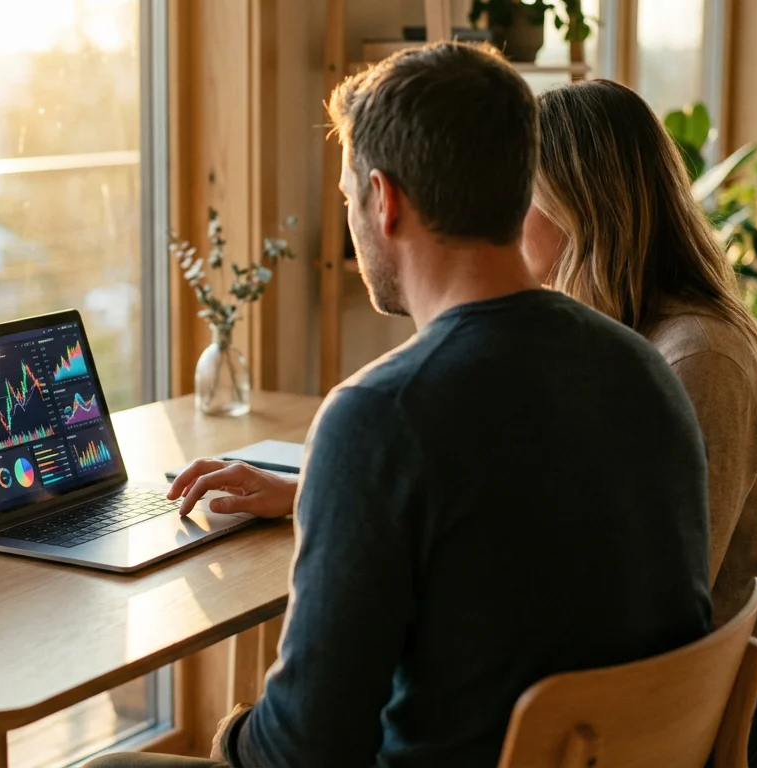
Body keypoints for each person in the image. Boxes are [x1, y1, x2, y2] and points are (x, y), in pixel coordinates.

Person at [88, 43, 712, 768]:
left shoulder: (382, 415)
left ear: (385, 202)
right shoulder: (644, 368)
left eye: (349, 196)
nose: (352, 214)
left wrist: (228, 737)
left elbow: (305, 751)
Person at [520, 79, 757, 768]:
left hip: (745, 709)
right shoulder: (630, 326)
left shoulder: (697, 359)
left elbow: (667, 595)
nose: (506, 223)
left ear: (581, 209)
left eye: (522, 200)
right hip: (700, 677)